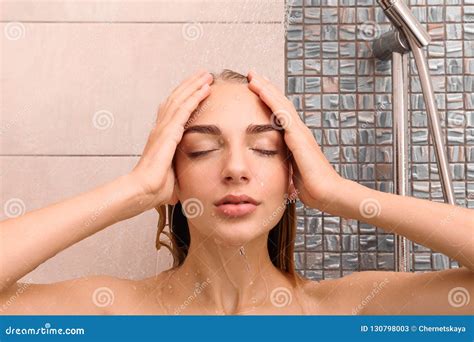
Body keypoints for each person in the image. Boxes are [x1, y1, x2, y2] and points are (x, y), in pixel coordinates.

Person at [0, 69, 472, 315]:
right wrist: (133, 189)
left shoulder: (348, 311)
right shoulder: (111, 312)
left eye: (265, 148)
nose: (236, 169)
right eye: (203, 149)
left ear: (294, 175)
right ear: (171, 174)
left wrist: (339, 192)